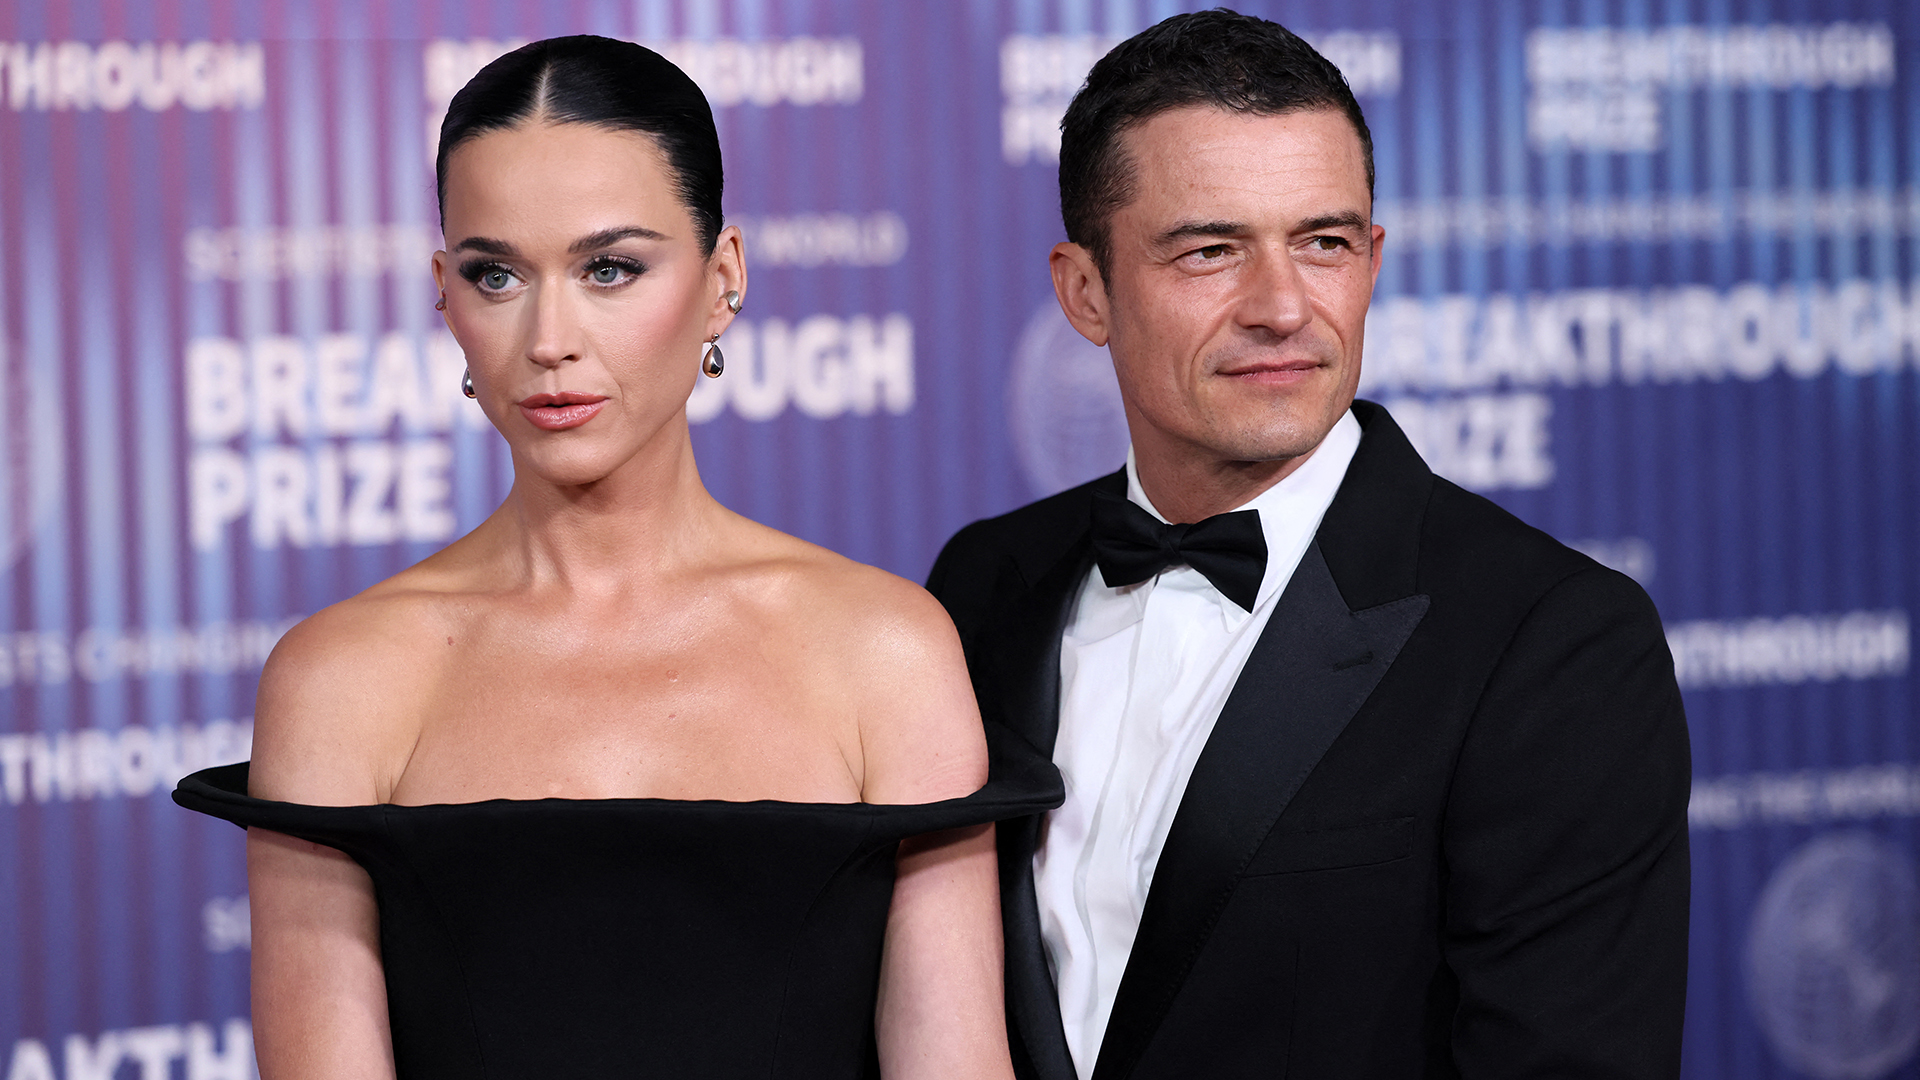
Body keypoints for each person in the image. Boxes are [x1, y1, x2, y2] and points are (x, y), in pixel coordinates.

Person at [174, 35, 1057, 1080]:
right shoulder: (343, 677)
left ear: (723, 279)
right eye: (495, 273)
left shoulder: (885, 651)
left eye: (610, 268)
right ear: (444, 296)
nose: (550, 336)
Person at [927, 11, 1690, 1079]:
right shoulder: (985, 582)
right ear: (1085, 290)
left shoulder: (1551, 643)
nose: (1283, 308)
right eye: (1210, 251)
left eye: (1324, 243)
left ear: (1372, 261)